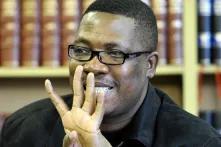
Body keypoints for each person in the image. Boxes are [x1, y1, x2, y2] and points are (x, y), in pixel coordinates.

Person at [1, 0, 221, 146]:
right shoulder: (24, 130)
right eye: (82, 50)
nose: (93, 66)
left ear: (150, 65)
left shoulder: (198, 141)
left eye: (115, 54)